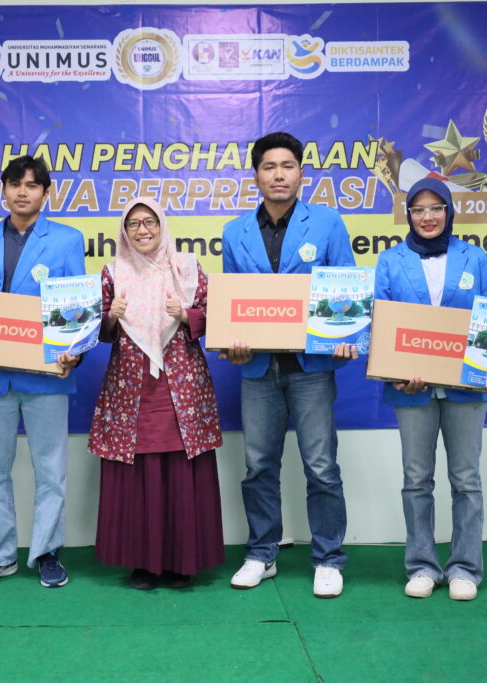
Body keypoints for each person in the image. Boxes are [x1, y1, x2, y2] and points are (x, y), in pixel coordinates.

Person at [221, 132, 358, 599]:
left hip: (311, 368)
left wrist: (345, 336)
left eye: (287, 166)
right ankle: (262, 553)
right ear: (256, 175)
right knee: (259, 465)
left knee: (321, 466)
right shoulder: (235, 231)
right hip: (258, 370)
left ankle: (328, 558)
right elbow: (233, 302)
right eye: (269, 167)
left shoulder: (327, 223)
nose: (278, 175)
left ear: (301, 173)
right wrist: (233, 343)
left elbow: (346, 287)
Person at [0, 155, 84, 589]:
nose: (23, 192)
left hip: (46, 375)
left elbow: (75, 308)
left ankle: (47, 552)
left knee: (51, 472)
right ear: (3, 190)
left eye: (32, 185)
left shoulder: (67, 240)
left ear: (46, 192)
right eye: (15, 184)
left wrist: (74, 352)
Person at [374, 177, 487, 601]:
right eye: (418, 210)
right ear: (408, 215)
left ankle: (465, 568)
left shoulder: (474, 258)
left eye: (436, 208)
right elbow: (381, 324)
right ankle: (422, 566)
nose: (427, 217)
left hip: (466, 389)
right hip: (410, 388)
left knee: (466, 479)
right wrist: (393, 372)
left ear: (449, 212)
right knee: (416, 479)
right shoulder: (390, 260)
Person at [88, 197, 225, 590]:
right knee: (138, 476)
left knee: (182, 471)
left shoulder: (187, 268)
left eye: (149, 222)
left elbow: (216, 314)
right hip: (130, 388)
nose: (142, 230)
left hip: (182, 386)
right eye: (133, 224)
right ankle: (143, 563)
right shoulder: (113, 273)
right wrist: (110, 318)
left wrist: (187, 314)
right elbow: (94, 329)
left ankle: (183, 563)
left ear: (162, 226)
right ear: (124, 232)